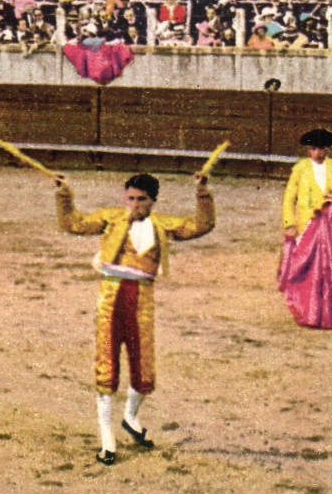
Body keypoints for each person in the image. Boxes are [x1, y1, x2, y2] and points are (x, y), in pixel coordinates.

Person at [55, 170, 215, 466]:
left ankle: (130, 416)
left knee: (144, 369)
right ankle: (107, 440)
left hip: (142, 298)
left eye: (141, 200)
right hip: (111, 295)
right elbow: (72, 223)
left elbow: (203, 224)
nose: (134, 205)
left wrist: (202, 192)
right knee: (107, 364)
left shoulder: (163, 224)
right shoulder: (112, 217)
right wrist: (65, 194)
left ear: (152, 201)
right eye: (130, 198)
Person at [278, 129, 332, 330]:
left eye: (321, 149)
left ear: (327, 149)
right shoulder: (300, 169)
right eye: (313, 149)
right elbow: (289, 198)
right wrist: (289, 223)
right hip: (306, 225)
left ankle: (327, 313)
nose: (316, 153)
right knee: (305, 269)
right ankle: (309, 312)